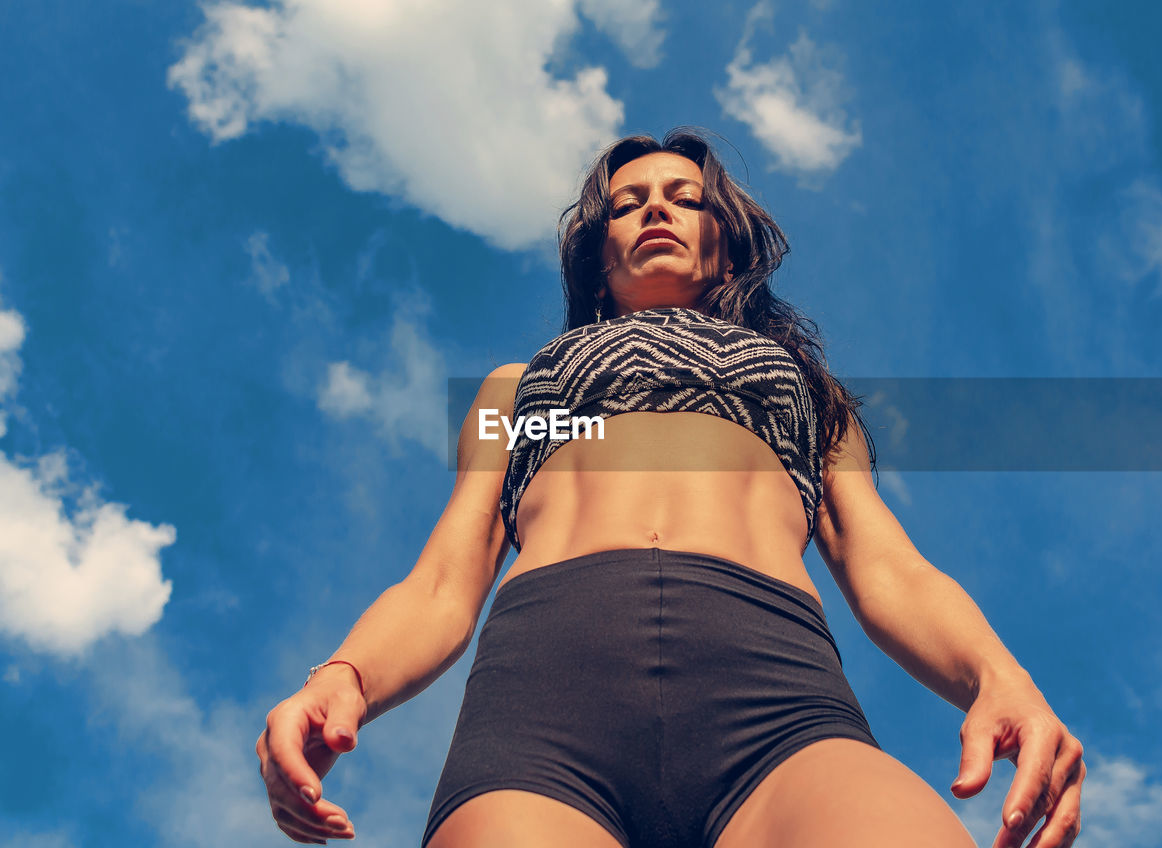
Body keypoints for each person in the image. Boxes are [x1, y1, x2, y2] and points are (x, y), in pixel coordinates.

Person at [256, 129, 1085, 848]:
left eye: (683, 198)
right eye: (628, 203)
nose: (655, 209)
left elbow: (887, 565)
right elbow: (445, 578)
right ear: (599, 252)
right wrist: (345, 677)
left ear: (722, 239)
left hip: (774, 697)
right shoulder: (517, 388)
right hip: (542, 708)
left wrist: (997, 676)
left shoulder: (805, 389)